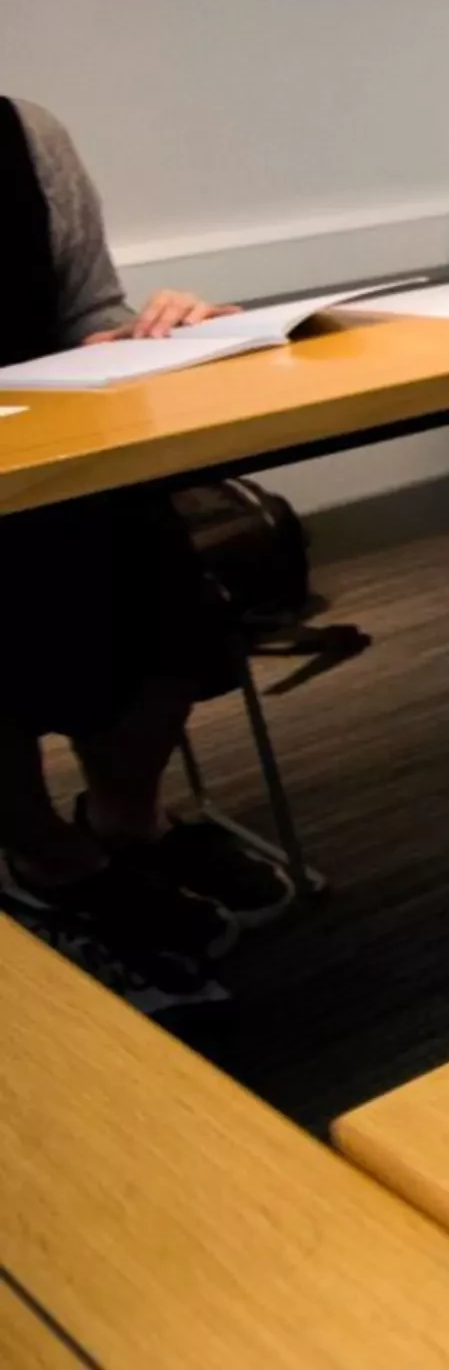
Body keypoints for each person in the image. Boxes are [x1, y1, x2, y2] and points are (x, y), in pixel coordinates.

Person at [0, 100, 295, 1008]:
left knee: (166, 592)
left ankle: (128, 822)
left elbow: (89, 312)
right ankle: (45, 859)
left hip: (57, 447)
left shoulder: (23, 133)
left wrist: (158, 333)